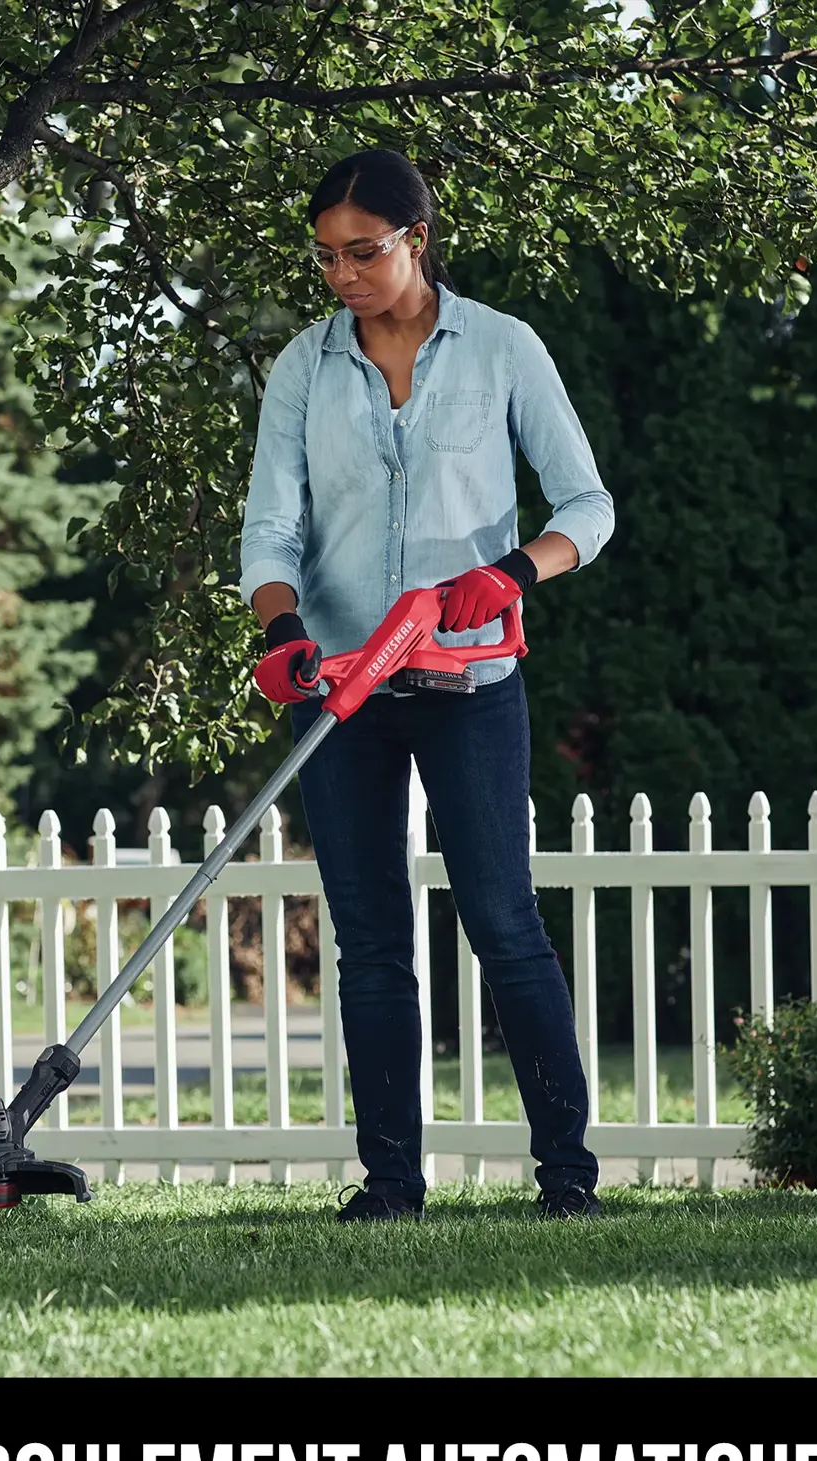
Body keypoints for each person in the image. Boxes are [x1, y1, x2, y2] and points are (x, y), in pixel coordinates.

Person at [237, 149, 615, 1223]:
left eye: (364, 252)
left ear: (418, 239)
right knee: (370, 944)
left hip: (469, 679)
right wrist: (283, 631)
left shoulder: (502, 349)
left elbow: (588, 507)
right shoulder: (305, 368)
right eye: (326, 257)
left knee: (503, 923)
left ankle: (567, 1178)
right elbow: (271, 526)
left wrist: (509, 575)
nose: (343, 275)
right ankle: (391, 1185)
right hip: (341, 687)